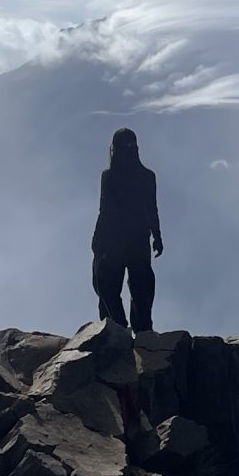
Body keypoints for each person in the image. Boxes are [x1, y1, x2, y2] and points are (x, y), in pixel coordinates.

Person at [92, 126, 163, 333]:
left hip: (120, 239)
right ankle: (128, 329)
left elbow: (105, 210)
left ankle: (120, 328)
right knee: (130, 287)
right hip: (131, 239)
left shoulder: (114, 175)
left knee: (114, 285)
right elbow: (151, 209)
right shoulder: (143, 176)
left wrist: (97, 240)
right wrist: (157, 236)